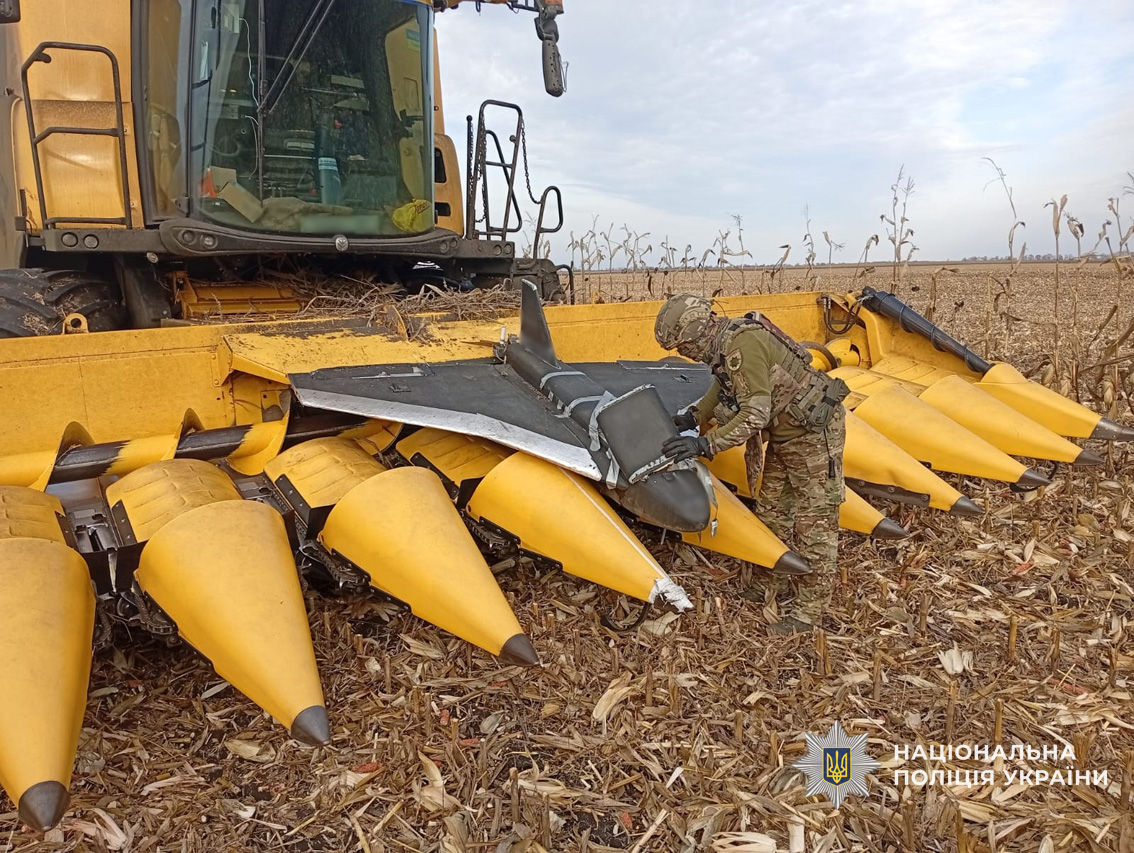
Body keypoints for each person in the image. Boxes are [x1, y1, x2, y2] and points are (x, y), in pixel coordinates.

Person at [653, 294, 849, 634]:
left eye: (685, 347)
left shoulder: (744, 344)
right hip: (787, 435)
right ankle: (770, 584)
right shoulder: (727, 345)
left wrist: (705, 443)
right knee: (773, 511)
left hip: (813, 435)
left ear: (698, 333)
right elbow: (724, 385)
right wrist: (695, 416)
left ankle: (807, 613)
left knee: (814, 523)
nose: (686, 355)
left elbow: (755, 413)